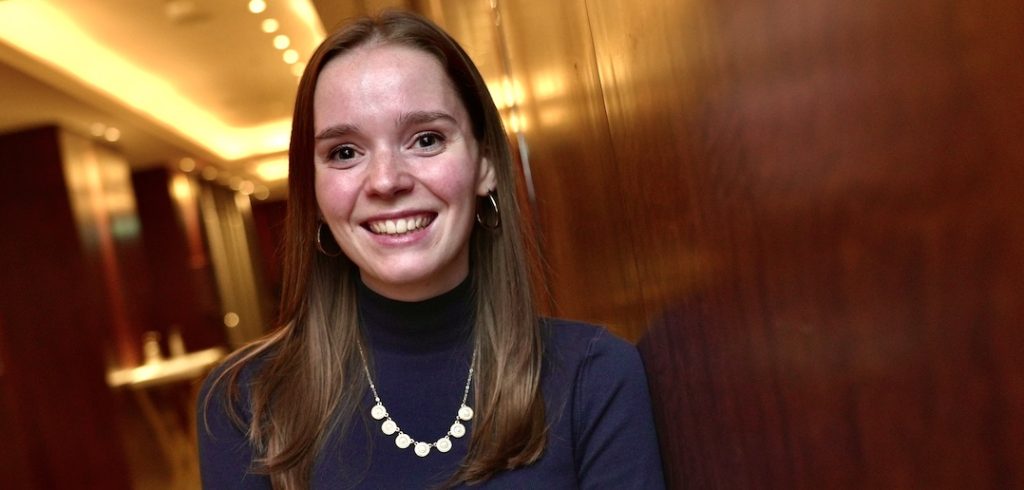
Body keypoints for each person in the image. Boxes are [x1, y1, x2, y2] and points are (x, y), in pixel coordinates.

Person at [198, 10, 664, 489]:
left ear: (484, 163)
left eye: (426, 139)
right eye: (344, 152)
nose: (386, 181)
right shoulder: (245, 401)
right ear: (313, 195)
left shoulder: (595, 376)